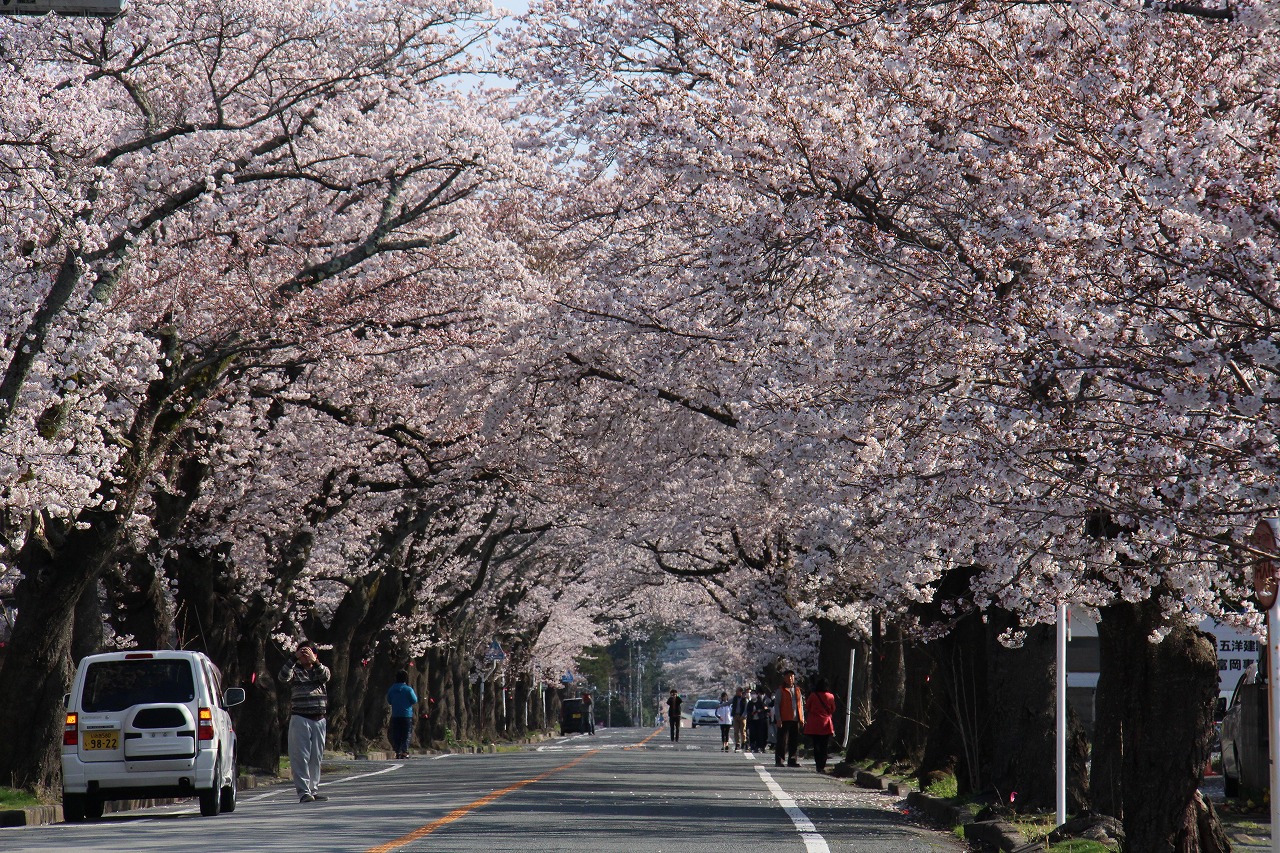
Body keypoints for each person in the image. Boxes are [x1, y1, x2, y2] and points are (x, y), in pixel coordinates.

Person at [279, 642, 331, 802]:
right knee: (300, 756)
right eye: (302, 652)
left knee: (316, 757)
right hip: (300, 717)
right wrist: (293, 658)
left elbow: (325, 676)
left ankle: (313, 790)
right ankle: (304, 793)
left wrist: (315, 662)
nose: (305, 655)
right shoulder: (295, 671)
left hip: (319, 718)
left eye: (309, 652)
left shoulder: (321, 670)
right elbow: (282, 676)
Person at [803, 675, 837, 773]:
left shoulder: (813, 695)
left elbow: (807, 706)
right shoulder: (830, 696)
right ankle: (822, 765)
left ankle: (818, 765)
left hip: (814, 723)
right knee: (824, 745)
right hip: (825, 723)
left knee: (816, 744)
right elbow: (833, 709)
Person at [773, 670, 805, 767]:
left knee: (793, 741)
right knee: (782, 740)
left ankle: (792, 760)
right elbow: (777, 705)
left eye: (792, 676)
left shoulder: (797, 690)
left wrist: (802, 718)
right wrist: (778, 718)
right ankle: (779, 760)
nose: (790, 678)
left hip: (795, 719)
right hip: (784, 718)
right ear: (784, 678)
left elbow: (801, 705)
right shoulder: (781, 690)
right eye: (788, 676)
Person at [386, 670, 418, 760]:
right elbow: (414, 700)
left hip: (396, 714)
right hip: (406, 714)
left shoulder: (391, 689)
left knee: (396, 733)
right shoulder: (408, 689)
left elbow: (389, 700)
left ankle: (397, 751)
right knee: (406, 733)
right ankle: (404, 751)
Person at [730, 687, 748, 751]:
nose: (736, 692)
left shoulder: (745, 699)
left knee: (743, 731)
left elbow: (746, 709)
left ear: (741, 692)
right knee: (736, 731)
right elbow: (728, 702)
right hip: (736, 716)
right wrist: (720, 705)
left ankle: (744, 742)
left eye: (737, 691)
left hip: (742, 717)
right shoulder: (735, 698)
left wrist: (743, 716)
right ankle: (737, 744)